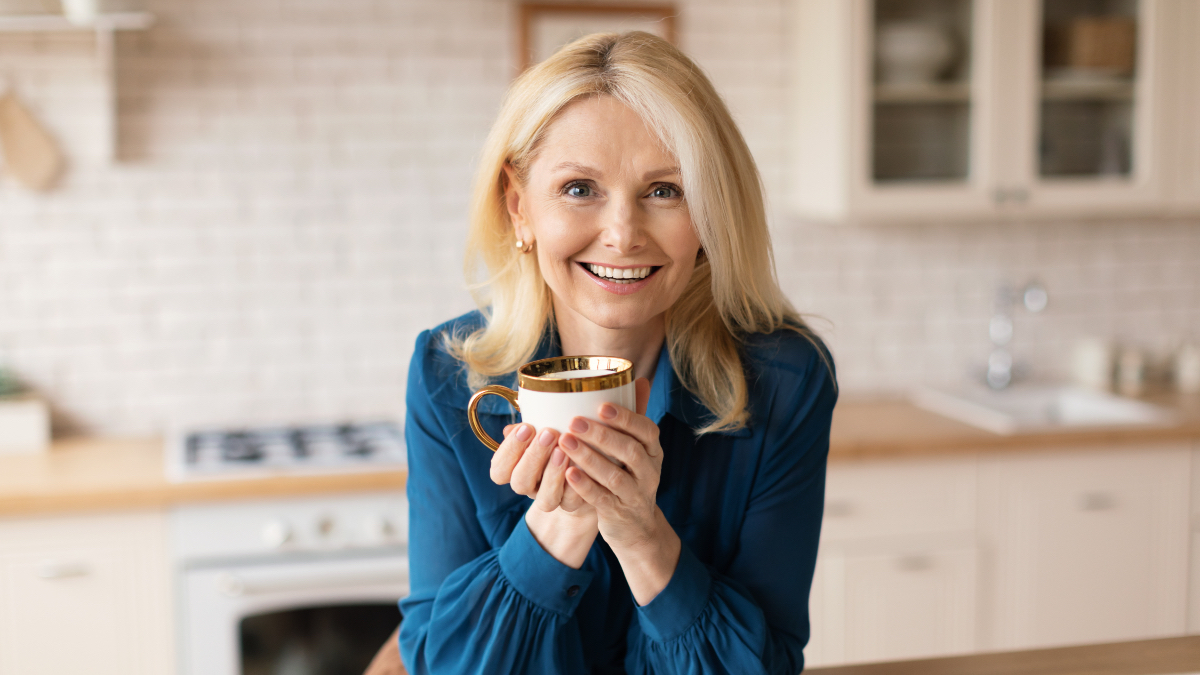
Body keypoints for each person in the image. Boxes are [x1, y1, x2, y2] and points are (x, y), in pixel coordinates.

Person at [367, 31, 837, 675]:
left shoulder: (786, 380)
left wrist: (641, 532)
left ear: (710, 211)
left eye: (665, 190)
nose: (622, 234)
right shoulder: (449, 378)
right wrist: (557, 528)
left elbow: (768, 665)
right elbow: (440, 663)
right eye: (579, 188)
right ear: (518, 207)